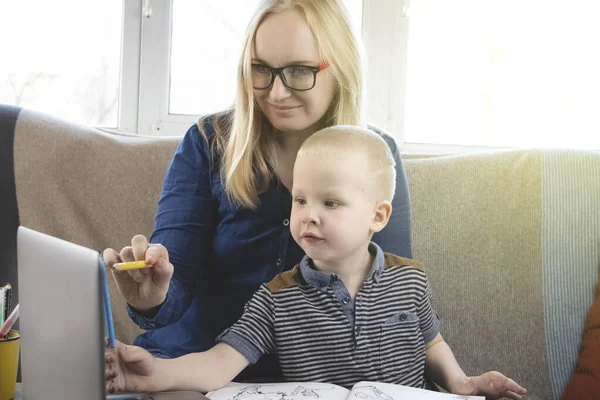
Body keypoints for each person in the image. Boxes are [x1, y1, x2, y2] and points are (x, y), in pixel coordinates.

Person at [102, 0, 412, 378]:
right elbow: (176, 271)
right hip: (187, 366)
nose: (277, 93)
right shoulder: (207, 143)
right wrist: (154, 298)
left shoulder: (376, 156)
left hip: (309, 380)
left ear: (340, 66)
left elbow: (392, 299)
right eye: (261, 70)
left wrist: (454, 379)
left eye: (299, 71)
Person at [105, 126, 527, 400]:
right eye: (301, 199)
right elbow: (219, 363)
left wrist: (461, 383)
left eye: (331, 202)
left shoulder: (411, 280)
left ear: (378, 217)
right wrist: (155, 373)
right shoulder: (274, 299)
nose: (309, 214)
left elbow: (431, 343)